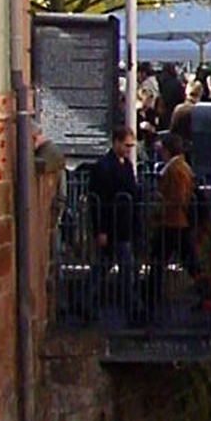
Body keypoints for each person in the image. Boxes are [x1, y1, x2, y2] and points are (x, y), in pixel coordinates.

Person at [89, 127, 142, 318]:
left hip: (124, 224)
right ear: (116, 142)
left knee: (110, 265)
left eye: (131, 146)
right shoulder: (103, 167)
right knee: (117, 265)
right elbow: (98, 201)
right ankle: (130, 307)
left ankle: (86, 300)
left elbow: (132, 192)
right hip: (111, 223)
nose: (129, 149)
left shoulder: (126, 165)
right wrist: (100, 229)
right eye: (126, 145)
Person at [148, 131, 195, 314]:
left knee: (163, 260)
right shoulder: (176, 167)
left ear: (167, 150)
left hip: (173, 221)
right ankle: (150, 296)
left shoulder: (176, 169)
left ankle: (151, 298)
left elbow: (179, 196)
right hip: (173, 221)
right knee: (168, 260)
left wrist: (161, 205)